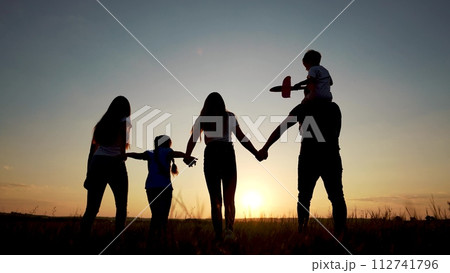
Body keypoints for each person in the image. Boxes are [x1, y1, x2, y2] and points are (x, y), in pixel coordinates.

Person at [258, 101, 347, 236]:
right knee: (336, 197)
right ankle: (340, 235)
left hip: (309, 157)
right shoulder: (334, 107)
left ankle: (302, 233)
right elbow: (337, 133)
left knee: (305, 197)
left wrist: (265, 148)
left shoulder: (303, 107)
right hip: (330, 155)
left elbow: (282, 128)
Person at [184, 92, 262, 240]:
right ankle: (229, 231)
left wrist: (187, 156)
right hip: (227, 153)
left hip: (212, 154)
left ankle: (219, 235)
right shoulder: (230, 116)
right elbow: (241, 138)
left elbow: (193, 139)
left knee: (215, 200)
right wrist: (256, 152)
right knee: (229, 198)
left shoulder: (203, 118)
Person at [126, 135, 196, 242]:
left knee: (155, 215)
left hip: (151, 187)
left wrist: (125, 154)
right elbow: (177, 153)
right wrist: (188, 156)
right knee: (164, 216)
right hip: (165, 187)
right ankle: (162, 240)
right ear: (168, 143)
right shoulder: (167, 151)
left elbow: (138, 155)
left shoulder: (150, 153)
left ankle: (152, 240)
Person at [81, 96, 132, 237]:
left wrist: (88, 173)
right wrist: (123, 154)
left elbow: (92, 151)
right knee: (121, 206)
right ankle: (117, 242)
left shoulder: (101, 124)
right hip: (115, 162)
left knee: (92, 208)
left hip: (97, 163)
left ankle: (82, 240)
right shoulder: (125, 121)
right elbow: (123, 145)